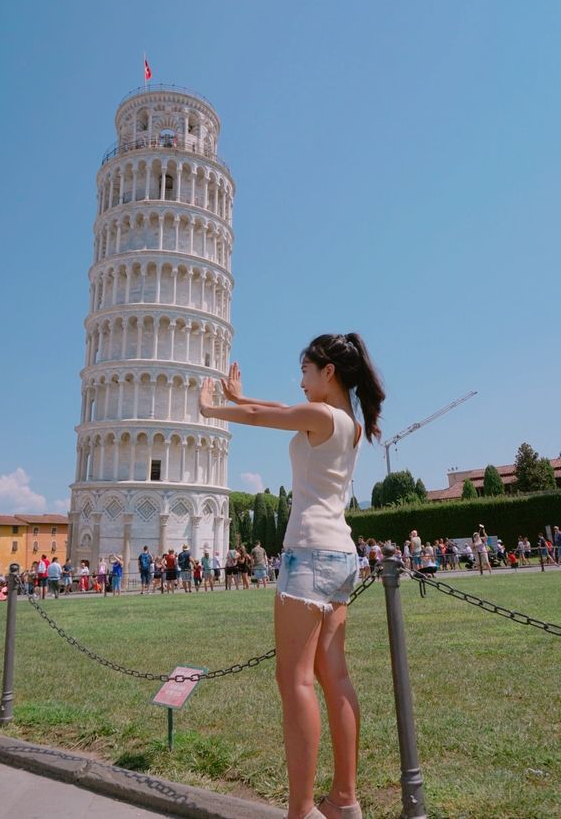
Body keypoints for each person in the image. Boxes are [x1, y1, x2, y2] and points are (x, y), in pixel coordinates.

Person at [199, 335, 385, 819]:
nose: (300, 382)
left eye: (305, 370)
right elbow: (277, 408)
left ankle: (301, 810)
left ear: (328, 372)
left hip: (308, 555)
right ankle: (345, 799)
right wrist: (239, 398)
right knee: (335, 676)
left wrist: (212, 410)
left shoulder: (321, 417)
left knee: (295, 681)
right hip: (341, 554)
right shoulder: (350, 425)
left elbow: (267, 418)